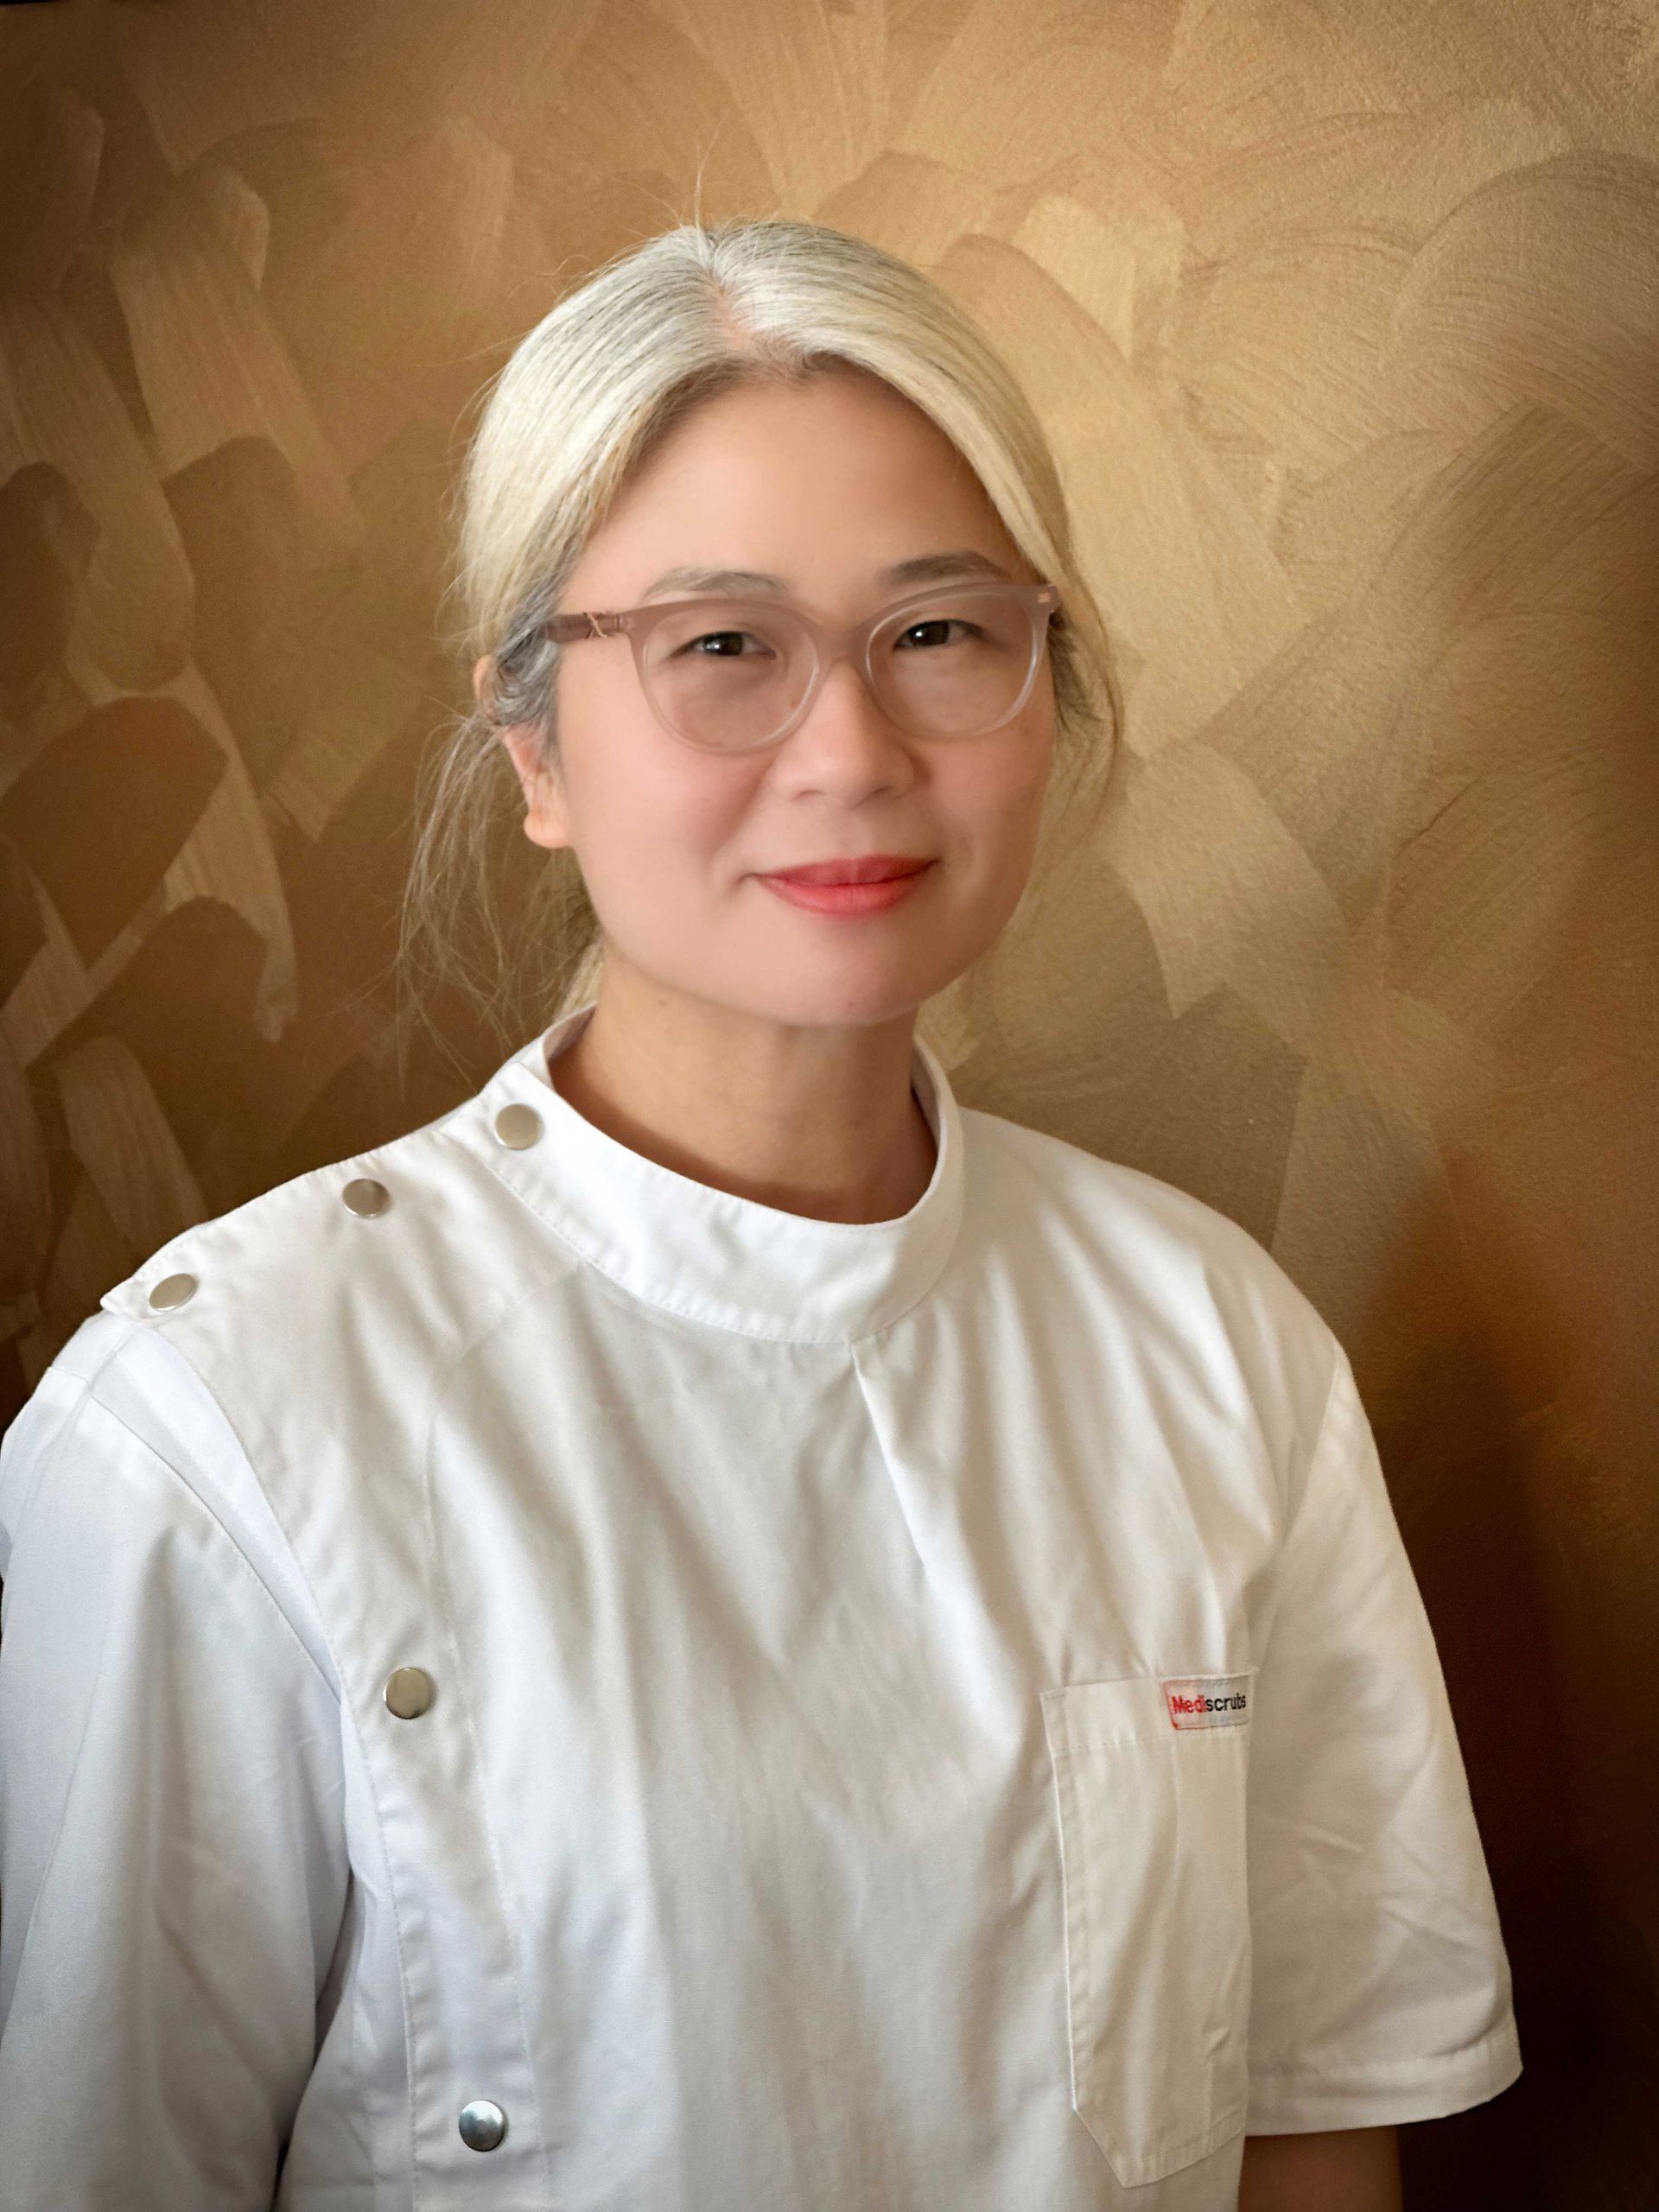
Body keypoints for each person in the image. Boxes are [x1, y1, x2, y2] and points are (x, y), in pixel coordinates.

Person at [0, 216, 1519, 2211]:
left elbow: (1317, 2123)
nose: (852, 752)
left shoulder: (1220, 1348)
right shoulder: (216, 1427)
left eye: (940, 632)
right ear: (535, 739)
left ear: (1046, 683)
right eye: (725, 647)